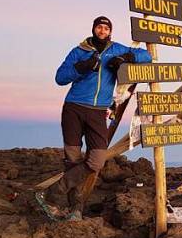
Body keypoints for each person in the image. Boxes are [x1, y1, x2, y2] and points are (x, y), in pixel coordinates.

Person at [36, 16, 152, 221]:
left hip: (98, 111)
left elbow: (147, 56)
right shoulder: (79, 51)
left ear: (110, 32)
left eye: (106, 28)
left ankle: (52, 194)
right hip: (73, 108)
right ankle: (76, 210)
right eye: (99, 27)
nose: (102, 30)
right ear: (93, 29)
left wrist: (127, 58)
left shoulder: (116, 49)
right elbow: (60, 77)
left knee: (96, 160)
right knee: (72, 161)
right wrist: (80, 68)